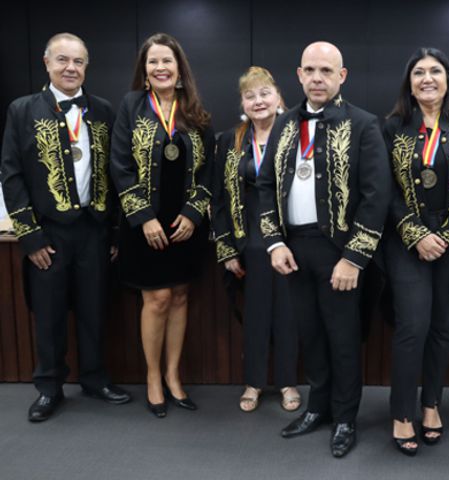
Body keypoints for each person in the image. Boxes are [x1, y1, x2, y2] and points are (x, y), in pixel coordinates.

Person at [256, 41, 391, 458]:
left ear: (341, 76)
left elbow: (376, 196)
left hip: (340, 251)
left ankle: (346, 416)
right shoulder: (283, 124)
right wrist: (273, 242)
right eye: (310, 70)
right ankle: (318, 407)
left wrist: (354, 257)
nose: (317, 78)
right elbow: (264, 186)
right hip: (293, 248)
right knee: (310, 334)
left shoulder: (364, 124)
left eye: (326, 71)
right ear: (298, 75)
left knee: (343, 338)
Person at [0, 32, 131, 422]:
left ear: (86, 67)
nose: (70, 68)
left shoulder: (103, 110)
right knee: (50, 313)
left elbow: (116, 172)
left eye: (78, 62)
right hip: (48, 234)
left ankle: (95, 379)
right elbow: (11, 174)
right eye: (62, 60)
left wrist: (114, 232)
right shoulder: (22, 110)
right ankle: (49, 388)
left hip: (94, 231)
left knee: (95, 310)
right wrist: (30, 236)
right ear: (47, 63)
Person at [382, 47, 449, 456]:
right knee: (413, 328)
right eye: (419, 72)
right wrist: (415, 234)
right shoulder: (393, 127)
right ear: (409, 83)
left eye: (435, 71)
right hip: (408, 244)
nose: (427, 78)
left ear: (448, 80)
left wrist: (448, 234)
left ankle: (431, 404)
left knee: (444, 328)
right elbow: (386, 189)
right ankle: (402, 412)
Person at [110, 33, 214, 418]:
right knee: (156, 299)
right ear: (145, 70)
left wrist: (193, 212)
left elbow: (209, 172)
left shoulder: (195, 110)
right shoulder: (132, 106)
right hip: (144, 225)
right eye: (153, 62)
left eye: (167, 61)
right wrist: (143, 218)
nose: (160, 68)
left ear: (179, 68)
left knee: (181, 296)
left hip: (185, 224)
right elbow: (119, 166)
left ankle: (173, 376)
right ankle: (153, 377)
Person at [211, 66, 300, 413]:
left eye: (264, 93)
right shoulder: (229, 140)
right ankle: (254, 382)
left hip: (290, 240)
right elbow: (217, 199)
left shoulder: (296, 135)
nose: (258, 101)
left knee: (289, 315)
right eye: (250, 95)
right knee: (256, 315)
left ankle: (288, 382)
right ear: (243, 103)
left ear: (278, 98)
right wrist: (227, 249)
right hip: (248, 242)